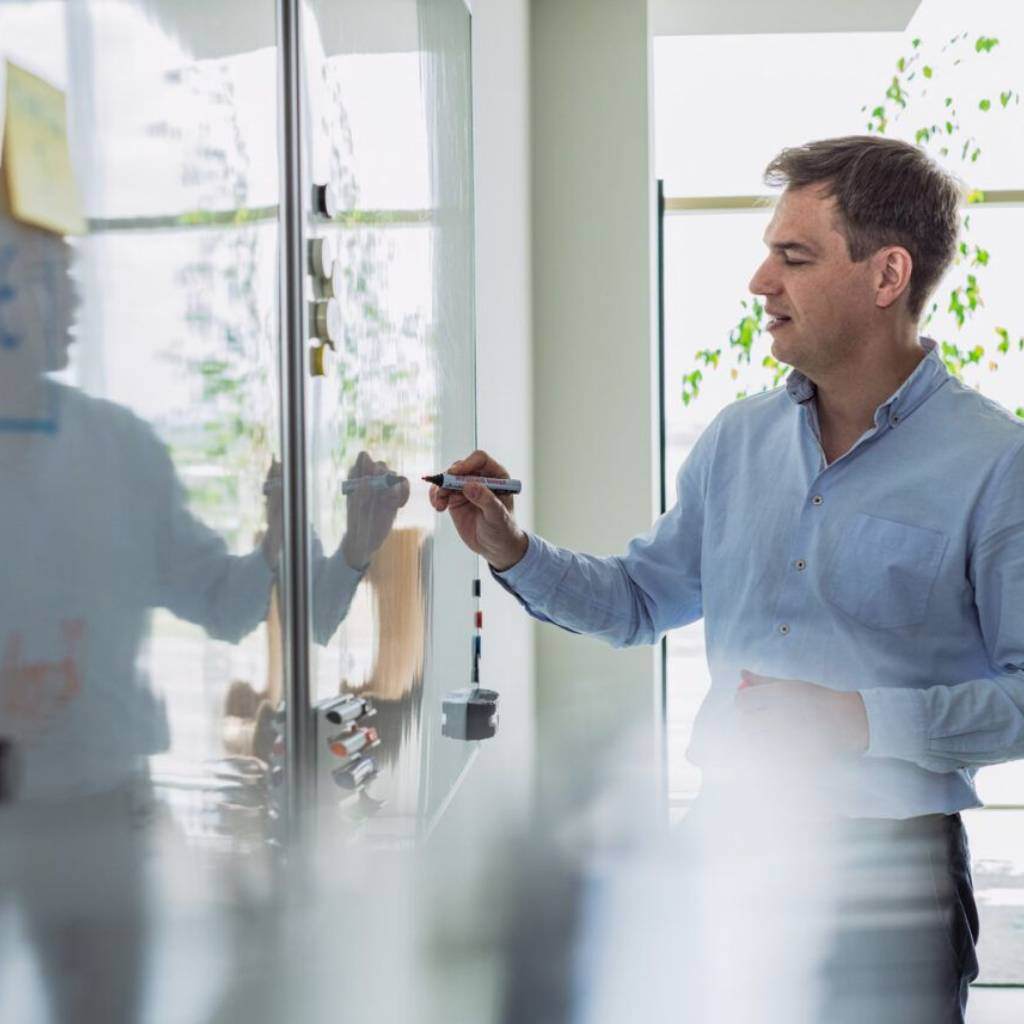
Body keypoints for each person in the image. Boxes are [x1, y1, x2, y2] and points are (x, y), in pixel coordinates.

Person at [431, 135, 1024, 1023]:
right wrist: (511, 546)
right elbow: (638, 602)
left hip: (888, 886)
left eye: (794, 256)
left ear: (887, 275)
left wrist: (859, 720)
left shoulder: (995, 464)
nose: (760, 282)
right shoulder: (736, 440)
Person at [0, 194, 407, 1021]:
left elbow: (223, 607)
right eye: (47, 277)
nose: (73, 300)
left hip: (109, 816)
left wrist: (296, 537)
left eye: (70, 276)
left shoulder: (119, 448)